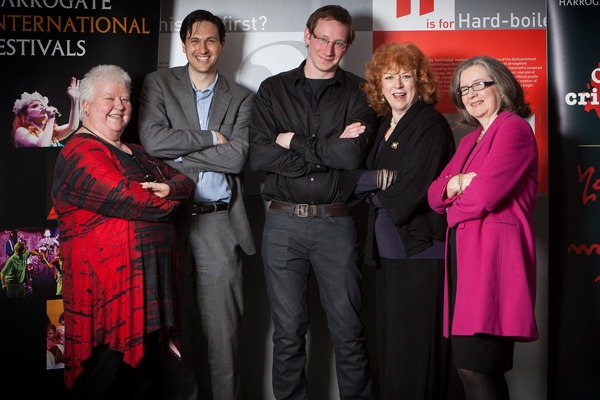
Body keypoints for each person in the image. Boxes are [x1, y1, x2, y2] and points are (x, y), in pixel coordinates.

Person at [248, 5, 376, 399]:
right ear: (307, 36)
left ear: (348, 45)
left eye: (338, 42)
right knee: (287, 334)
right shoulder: (274, 90)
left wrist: (294, 141)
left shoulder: (360, 91)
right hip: (283, 225)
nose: (328, 48)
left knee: (349, 331)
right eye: (322, 38)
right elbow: (260, 157)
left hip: (337, 225)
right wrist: (329, 148)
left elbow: (351, 158)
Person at [51, 64, 195, 400]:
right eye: (109, 98)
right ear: (85, 106)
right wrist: (166, 198)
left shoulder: (139, 152)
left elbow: (185, 182)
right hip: (107, 296)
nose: (120, 105)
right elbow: (131, 199)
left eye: (125, 98)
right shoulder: (79, 153)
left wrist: (168, 189)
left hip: (148, 289)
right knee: (106, 380)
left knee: (145, 382)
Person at [138, 9, 256, 400]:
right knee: (175, 327)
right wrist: (211, 137)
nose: (202, 49)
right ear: (184, 44)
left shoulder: (242, 97)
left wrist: (180, 156)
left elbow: (237, 159)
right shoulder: (159, 84)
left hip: (218, 224)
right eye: (194, 40)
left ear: (222, 44)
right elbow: (154, 142)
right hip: (168, 221)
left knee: (223, 333)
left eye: (210, 40)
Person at [345, 42, 455, 399]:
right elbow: (359, 177)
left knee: (414, 353)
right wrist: (375, 181)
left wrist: (371, 186)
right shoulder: (382, 125)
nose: (398, 85)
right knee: (394, 349)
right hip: (388, 250)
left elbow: (413, 189)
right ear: (378, 85)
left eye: (406, 76)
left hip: (421, 251)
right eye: (389, 77)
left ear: (419, 81)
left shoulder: (430, 124)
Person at [427, 55, 539, 400]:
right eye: (464, 89)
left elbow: (485, 197)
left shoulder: (514, 128)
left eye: (480, 84)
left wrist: (454, 199)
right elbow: (433, 194)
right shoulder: (468, 140)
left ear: (501, 86)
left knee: (476, 367)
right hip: (466, 261)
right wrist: (459, 181)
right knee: (471, 368)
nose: (472, 94)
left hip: (494, 264)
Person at [11, 77, 80, 147]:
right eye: (34, 106)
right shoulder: (21, 131)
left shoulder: (51, 132)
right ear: (26, 116)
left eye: (42, 105)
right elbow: (43, 146)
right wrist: (51, 118)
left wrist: (75, 100)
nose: (41, 107)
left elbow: (72, 127)